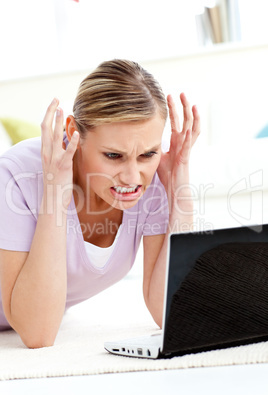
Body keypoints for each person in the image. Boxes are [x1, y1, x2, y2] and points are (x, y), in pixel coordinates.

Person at [0, 59, 200, 348]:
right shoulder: (16, 177)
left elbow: (169, 310)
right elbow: (38, 333)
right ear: (72, 133)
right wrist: (56, 192)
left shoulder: (149, 181)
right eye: (113, 156)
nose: (132, 176)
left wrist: (179, 185)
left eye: (148, 154)